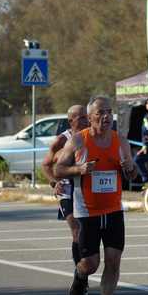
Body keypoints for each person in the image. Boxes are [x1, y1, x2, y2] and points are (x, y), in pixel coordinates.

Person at [54, 95, 138, 295]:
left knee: (113, 260)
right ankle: (80, 275)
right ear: (90, 118)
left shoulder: (120, 142)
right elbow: (58, 169)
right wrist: (78, 169)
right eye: (100, 113)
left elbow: (133, 175)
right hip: (86, 212)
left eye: (109, 111)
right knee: (91, 264)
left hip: (113, 210)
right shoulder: (79, 141)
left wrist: (130, 168)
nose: (106, 116)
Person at [41, 105, 89, 273]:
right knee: (76, 229)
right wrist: (54, 182)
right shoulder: (61, 140)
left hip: (86, 189)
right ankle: (80, 273)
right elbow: (46, 165)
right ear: (71, 121)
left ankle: (87, 262)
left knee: (88, 231)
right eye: (81, 118)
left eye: (87, 117)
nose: (86, 120)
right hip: (67, 189)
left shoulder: (92, 135)